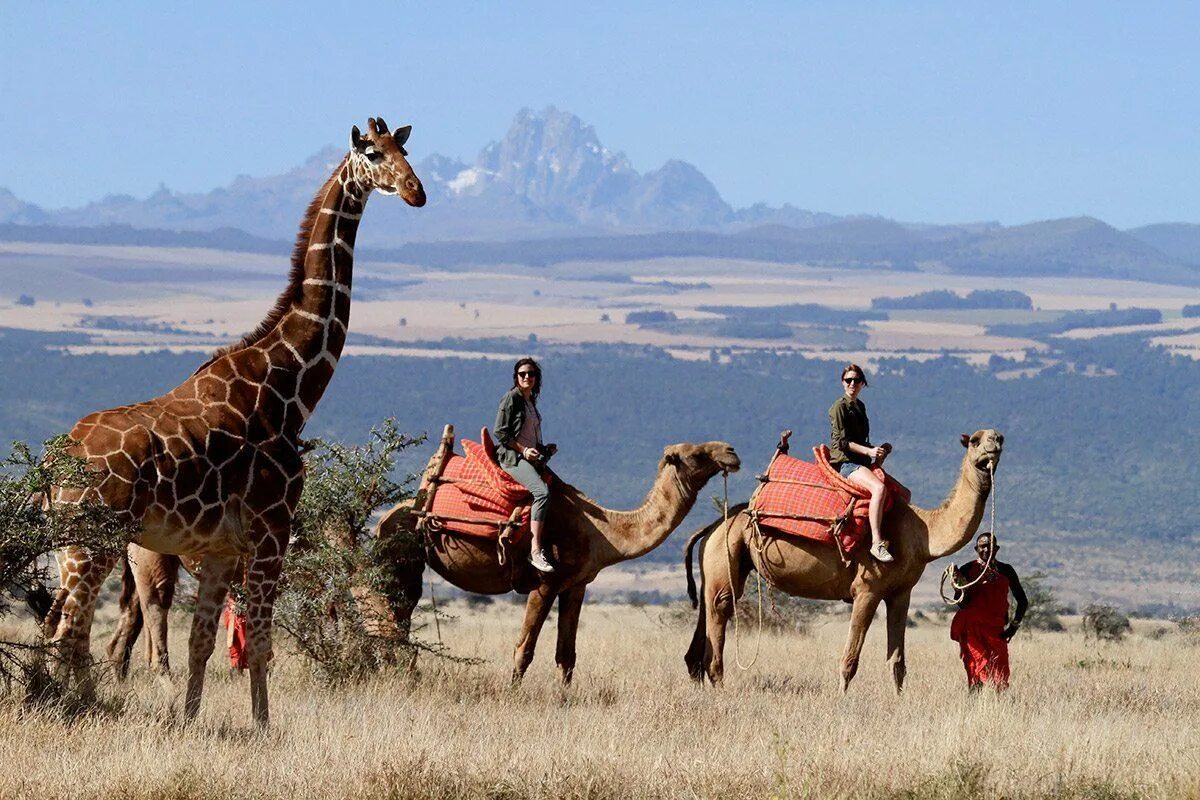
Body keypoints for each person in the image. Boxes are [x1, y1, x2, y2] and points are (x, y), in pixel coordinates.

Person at [493, 357, 558, 573]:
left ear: (537, 378)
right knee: (542, 493)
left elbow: (527, 433)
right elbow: (501, 432)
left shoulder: (530, 402)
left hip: (529, 456)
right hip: (513, 459)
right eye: (522, 374)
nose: (527, 377)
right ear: (516, 377)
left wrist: (542, 448)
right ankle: (535, 551)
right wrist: (523, 450)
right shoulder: (511, 398)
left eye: (531, 373)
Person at [828, 363, 894, 562]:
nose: (852, 384)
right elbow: (843, 442)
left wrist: (878, 451)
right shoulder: (839, 407)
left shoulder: (860, 406)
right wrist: (869, 450)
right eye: (848, 380)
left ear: (862, 383)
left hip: (861, 461)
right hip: (846, 463)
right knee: (879, 489)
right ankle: (876, 543)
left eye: (856, 380)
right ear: (843, 382)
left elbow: (861, 441)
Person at [949, 532, 1028, 692]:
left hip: (996, 629)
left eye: (990, 546)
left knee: (1001, 673)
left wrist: (1013, 626)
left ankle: (999, 708)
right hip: (972, 628)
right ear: (976, 549)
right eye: (982, 546)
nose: (986, 549)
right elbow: (962, 603)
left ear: (997, 548)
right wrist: (959, 586)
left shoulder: (1006, 570)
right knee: (975, 668)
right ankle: (974, 707)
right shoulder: (967, 569)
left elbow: (1022, 600)